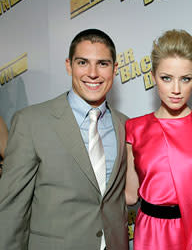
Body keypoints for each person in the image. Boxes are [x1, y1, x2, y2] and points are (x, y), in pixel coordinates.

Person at [0, 29, 129, 250]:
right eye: (82, 63)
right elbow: (11, 209)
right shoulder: (31, 122)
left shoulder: (126, 126)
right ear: (69, 65)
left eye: (103, 64)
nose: (92, 73)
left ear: (115, 69)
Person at [125, 29, 192, 250]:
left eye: (185, 79)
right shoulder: (135, 129)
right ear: (153, 77)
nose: (176, 90)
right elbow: (130, 195)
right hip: (151, 235)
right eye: (166, 78)